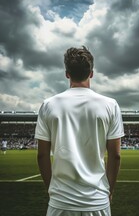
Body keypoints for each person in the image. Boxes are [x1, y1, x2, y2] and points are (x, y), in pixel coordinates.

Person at [35, 46, 124, 216]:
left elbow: (42, 155)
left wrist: (52, 190)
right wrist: (109, 191)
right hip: (97, 201)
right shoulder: (110, 105)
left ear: (67, 73)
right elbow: (115, 156)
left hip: (60, 201)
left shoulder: (48, 105)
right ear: (91, 73)